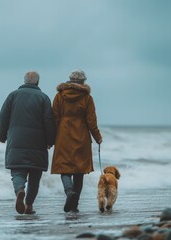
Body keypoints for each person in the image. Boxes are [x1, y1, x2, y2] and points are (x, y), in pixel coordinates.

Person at [0, 71, 55, 214]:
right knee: (35, 177)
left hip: (16, 141)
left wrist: (1, 136)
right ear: (37, 82)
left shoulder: (13, 95)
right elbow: (49, 122)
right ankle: (29, 205)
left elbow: (3, 117)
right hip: (38, 143)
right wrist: (50, 141)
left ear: (24, 81)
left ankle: (19, 190)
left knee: (17, 172)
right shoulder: (44, 98)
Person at [51, 70, 102, 213]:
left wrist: (51, 138)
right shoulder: (87, 98)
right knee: (79, 172)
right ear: (83, 82)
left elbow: (54, 118)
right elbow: (91, 121)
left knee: (64, 167)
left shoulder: (59, 96)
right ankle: (74, 205)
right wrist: (97, 137)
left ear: (70, 80)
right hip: (81, 136)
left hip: (63, 135)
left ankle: (69, 192)